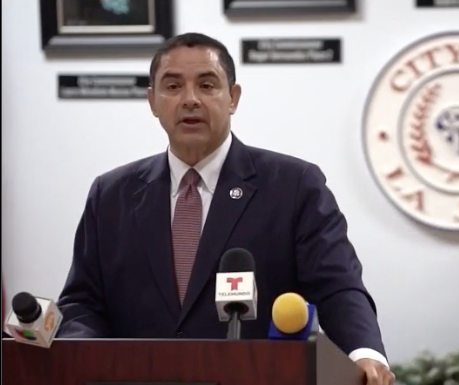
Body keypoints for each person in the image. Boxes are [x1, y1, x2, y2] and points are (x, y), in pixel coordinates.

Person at [56, 32, 394, 385]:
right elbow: (82, 302)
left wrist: (364, 354)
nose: (190, 100)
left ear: (233, 97)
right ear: (152, 101)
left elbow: (337, 287)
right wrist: (81, 354)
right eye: (173, 87)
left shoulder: (294, 186)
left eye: (207, 85)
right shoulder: (111, 195)